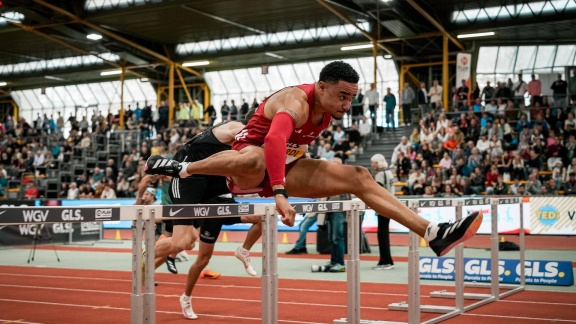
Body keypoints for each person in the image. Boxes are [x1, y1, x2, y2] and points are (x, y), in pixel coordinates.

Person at [145, 60, 483, 258]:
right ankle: (182, 168)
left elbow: (291, 151)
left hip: (285, 167)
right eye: (341, 96)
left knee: (360, 176)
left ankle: (433, 232)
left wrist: (288, 180)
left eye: (351, 98)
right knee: (257, 157)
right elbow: (276, 140)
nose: (346, 105)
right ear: (320, 87)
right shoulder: (297, 102)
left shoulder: (327, 111)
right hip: (246, 166)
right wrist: (279, 193)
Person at [147, 116, 262, 320]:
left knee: (261, 217)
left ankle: (243, 251)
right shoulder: (237, 128)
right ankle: (147, 256)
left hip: (215, 194)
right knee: (185, 243)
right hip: (187, 181)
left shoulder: (247, 142)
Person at [136, 175, 180, 274]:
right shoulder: (169, 168)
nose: (146, 196)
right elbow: (146, 179)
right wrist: (139, 199)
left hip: (182, 211)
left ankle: (147, 269)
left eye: (148, 194)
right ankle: (148, 260)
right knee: (176, 246)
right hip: (172, 212)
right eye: (145, 194)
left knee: (176, 247)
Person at [370, 154, 395, 270]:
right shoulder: (389, 173)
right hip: (390, 205)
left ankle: (385, 261)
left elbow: (377, 191)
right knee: (384, 234)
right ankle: (387, 260)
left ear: (378, 163)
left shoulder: (381, 174)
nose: (372, 165)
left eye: (374, 163)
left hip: (384, 207)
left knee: (382, 235)